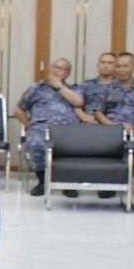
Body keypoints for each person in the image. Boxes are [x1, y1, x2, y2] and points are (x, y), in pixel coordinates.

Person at [15, 58, 83, 196]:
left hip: (67, 130)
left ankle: (68, 183)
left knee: (75, 146)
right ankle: (43, 181)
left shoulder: (74, 89)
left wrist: (59, 87)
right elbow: (18, 109)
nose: (57, 71)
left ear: (67, 73)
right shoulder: (36, 88)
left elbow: (78, 102)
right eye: (55, 67)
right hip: (41, 128)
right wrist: (28, 124)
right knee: (35, 142)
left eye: (62, 69)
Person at [97, 51, 134, 131]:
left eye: (125, 66)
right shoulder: (107, 89)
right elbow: (98, 112)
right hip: (111, 131)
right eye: (118, 66)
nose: (121, 70)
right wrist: (114, 127)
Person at [76, 52, 117, 123]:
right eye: (103, 62)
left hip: (113, 125)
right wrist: (83, 117)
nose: (106, 66)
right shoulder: (87, 85)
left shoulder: (120, 86)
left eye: (110, 63)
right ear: (98, 65)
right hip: (89, 125)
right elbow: (75, 105)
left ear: (116, 66)